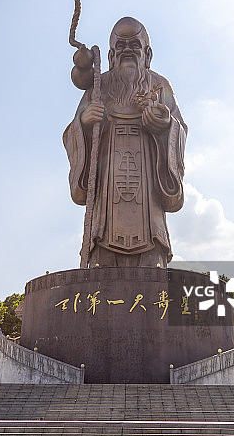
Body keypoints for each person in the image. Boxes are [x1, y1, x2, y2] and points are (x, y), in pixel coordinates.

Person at [63, 17, 187, 267]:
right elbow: (71, 134)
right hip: (106, 202)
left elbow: (180, 130)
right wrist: (84, 124)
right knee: (102, 269)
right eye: (121, 46)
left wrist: (164, 126)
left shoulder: (159, 85)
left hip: (148, 198)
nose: (128, 50)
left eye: (135, 45)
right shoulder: (98, 87)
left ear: (147, 53)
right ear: (110, 55)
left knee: (152, 270)